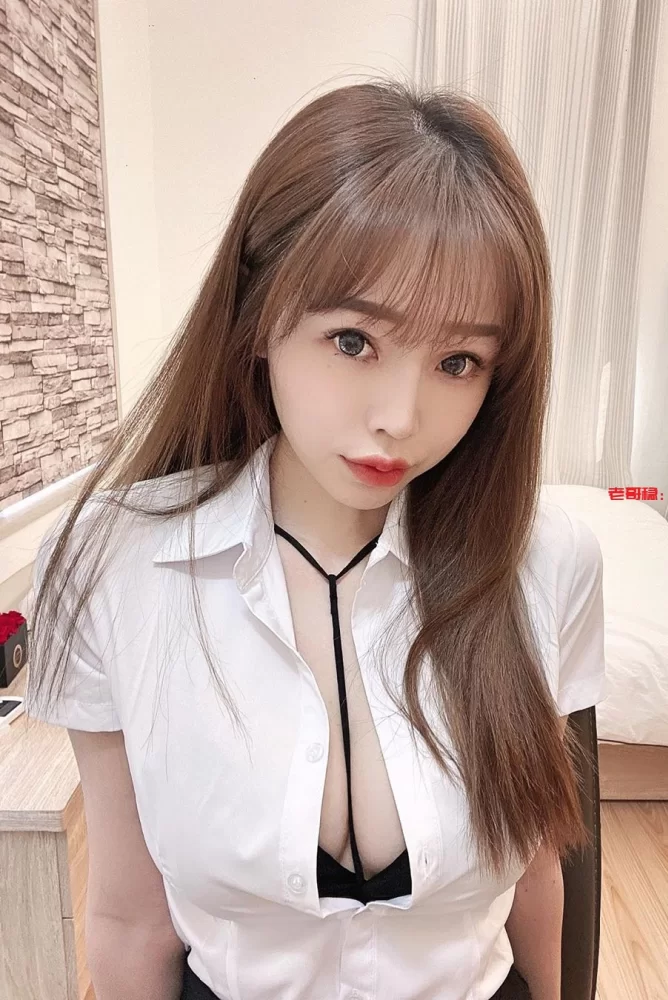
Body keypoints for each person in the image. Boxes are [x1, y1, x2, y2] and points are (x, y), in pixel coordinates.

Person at [25, 77, 606, 1000]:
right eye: (354, 341)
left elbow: (537, 875)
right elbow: (132, 919)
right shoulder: (109, 565)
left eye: (458, 361)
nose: (400, 417)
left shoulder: (546, 563)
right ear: (259, 316)